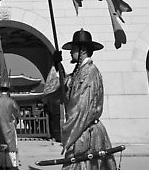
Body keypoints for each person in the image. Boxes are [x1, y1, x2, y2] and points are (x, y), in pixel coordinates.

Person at [44, 29, 117, 170]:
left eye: (73, 49)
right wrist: (57, 67)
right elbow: (56, 91)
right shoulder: (78, 73)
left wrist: (70, 129)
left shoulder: (90, 72)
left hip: (85, 131)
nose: (71, 52)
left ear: (82, 50)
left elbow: (81, 106)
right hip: (81, 129)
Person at [0, 86, 21, 170]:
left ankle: (0, 163)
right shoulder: (11, 101)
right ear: (8, 92)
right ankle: (10, 163)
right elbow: (17, 113)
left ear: (0, 91)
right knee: (11, 146)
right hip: (9, 126)